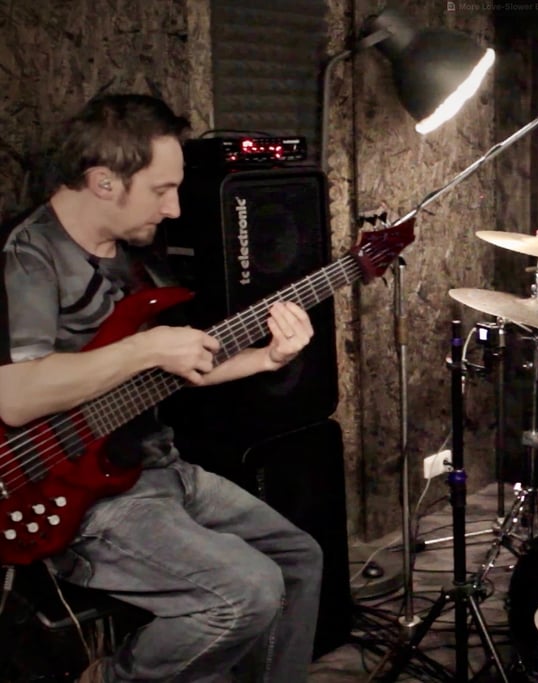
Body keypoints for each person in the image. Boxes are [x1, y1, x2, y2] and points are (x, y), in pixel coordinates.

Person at [0, 94, 324, 682]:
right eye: (160, 190)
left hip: (154, 464)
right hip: (82, 494)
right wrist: (143, 347)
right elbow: (14, 396)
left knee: (299, 559)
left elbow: (166, 369)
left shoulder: (135, 256)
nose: (174, 208)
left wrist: (265, 358)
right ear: (103, 182)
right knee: (248, 590)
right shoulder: (28, 257)